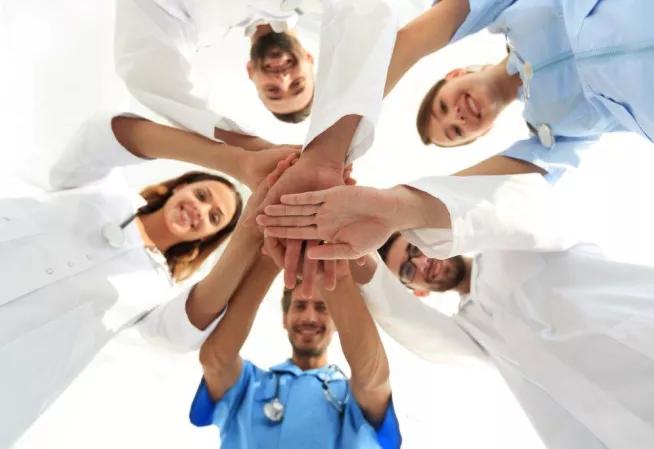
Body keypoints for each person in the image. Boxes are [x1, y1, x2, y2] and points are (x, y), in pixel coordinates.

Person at [0, 111, 294, 448]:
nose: (200, 210)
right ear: (180, 186)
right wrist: (236, 162)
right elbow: (103, 136)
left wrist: (252, 227)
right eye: (201, 195)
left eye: (214, 217)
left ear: (207, 238)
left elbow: (182, 331)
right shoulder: (102, 189)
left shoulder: (155, 291)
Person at [356, 232, 654, 448]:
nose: (423, 263)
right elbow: (411, 323)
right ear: (418, 291)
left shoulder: (512, 244)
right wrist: (353, 253)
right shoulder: (473, 331)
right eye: (408, 270)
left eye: (416, 248)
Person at [188, 164, 402, 448]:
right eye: (299, 306)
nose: (310, 316)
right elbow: (215, 359)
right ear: (284, 317)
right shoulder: (250, 387)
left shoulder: (348, 398)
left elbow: (373, 378)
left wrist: (335, 272)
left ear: (337, 322)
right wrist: (271, 255)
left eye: (322, 308)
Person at [390, 0, 654, 174]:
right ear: (480, 134)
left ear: (455, 74)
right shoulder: (553, 135)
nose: (456, 117)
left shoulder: (509, 13)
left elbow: (450, 14)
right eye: (456, 132)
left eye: (443, 107)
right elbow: (509, 186)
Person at [115, 0, 317, 137]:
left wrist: (236, 145)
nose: (283, 79)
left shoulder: (198, 27)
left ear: (250, 72)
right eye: (297, 84)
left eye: (272, 90)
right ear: (309, 59)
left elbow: (148, 67)